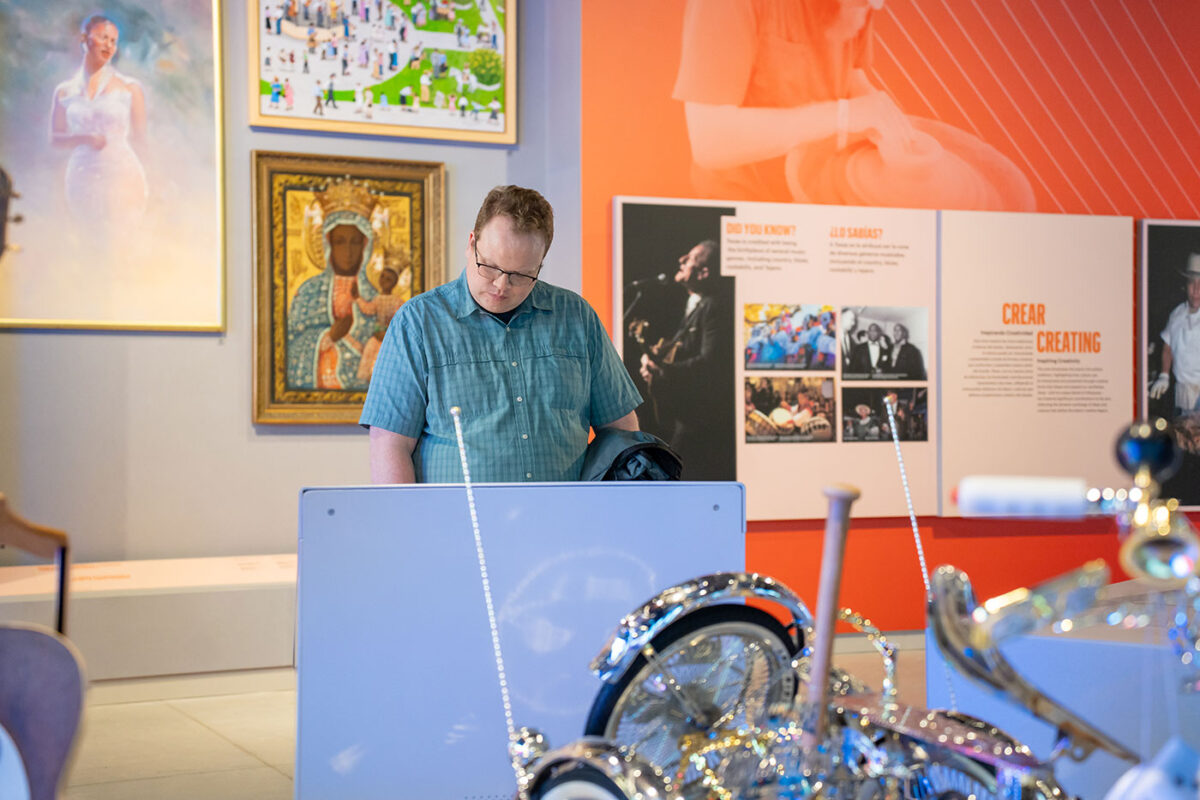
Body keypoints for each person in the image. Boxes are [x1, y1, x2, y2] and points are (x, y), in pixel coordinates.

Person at [361, 185, 642, 484]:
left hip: (563, 522)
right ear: (471, 244)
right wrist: (408, 524)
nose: (501, 285)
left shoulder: (577, 318)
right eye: (490, 267)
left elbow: (620, 432)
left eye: (521, 275)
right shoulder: (418, 322)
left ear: (540, 265)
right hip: (455, 525)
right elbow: (390, 444)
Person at [671, 0, 1033, 210]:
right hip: (741, 216)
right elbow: (710, 141)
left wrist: (880, 114)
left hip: (816, 203)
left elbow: (849, 74)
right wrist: (843, 116)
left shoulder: (861, 5)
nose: (868, 11)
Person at [637, 239, 732, 479]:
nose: (681, 261)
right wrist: (655, 357)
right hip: (687, 414)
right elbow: (683, 349)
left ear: (703, 272)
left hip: (698, 420)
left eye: (689, 259)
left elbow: (710, 361)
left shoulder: (713, 307)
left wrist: (664, 371)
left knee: (672, 474)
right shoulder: (697, 303)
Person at [50, 14, 148, 231]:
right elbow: (56, 139)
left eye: (113, 41)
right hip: (81, 174)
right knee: (88, 235)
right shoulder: (64, 91)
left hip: (121, 174)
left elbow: (142, 140)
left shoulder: (130, 87)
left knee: (120, 234)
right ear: (85, 38)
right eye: (103, 38)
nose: (109, 45)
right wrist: (84, 138)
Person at [287, 180, 380, 391]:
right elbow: (290, 346)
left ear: (365, 245)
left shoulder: (373, 296)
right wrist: (327, 337)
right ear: (329, 243)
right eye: (340, 241)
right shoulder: (308, 292)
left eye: (354, 242)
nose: (347, 251)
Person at [1150, 253, 1200, 416]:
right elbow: (1167, 346)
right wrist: (1164, 376)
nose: (1196, 289)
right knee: (1182, 437)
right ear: (1186, 285)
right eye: (1192, 282)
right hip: (1181, 391)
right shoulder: (1176, 314)